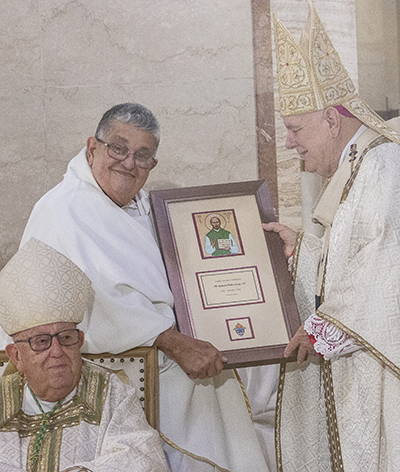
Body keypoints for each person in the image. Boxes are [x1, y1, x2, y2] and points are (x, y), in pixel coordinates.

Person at [11, 103, 269, 471]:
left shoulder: (146, 207)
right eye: (118, 148)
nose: (128, 163)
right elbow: (94, 306)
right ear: (92, 148)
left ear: (153, 165)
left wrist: (259, 251)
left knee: (241, 379)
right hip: (116, 365)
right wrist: (176, 342)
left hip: (165, 349)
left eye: (142, 155)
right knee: (207, 390)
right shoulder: (64, 210)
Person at [266, 3, 400, 471]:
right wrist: (301, 248)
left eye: (295, 129)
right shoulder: (359, 167)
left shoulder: (383, 164)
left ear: (330, 118)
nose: (288, 143)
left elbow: (387, 263)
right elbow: (353, 260)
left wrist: (324, 328)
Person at [0, 237, 170, 472]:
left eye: (66, 337)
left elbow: (142, 457)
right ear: (16, 356)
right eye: (41, 342)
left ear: (79, 341)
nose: (57, 351)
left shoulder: (110, 392)